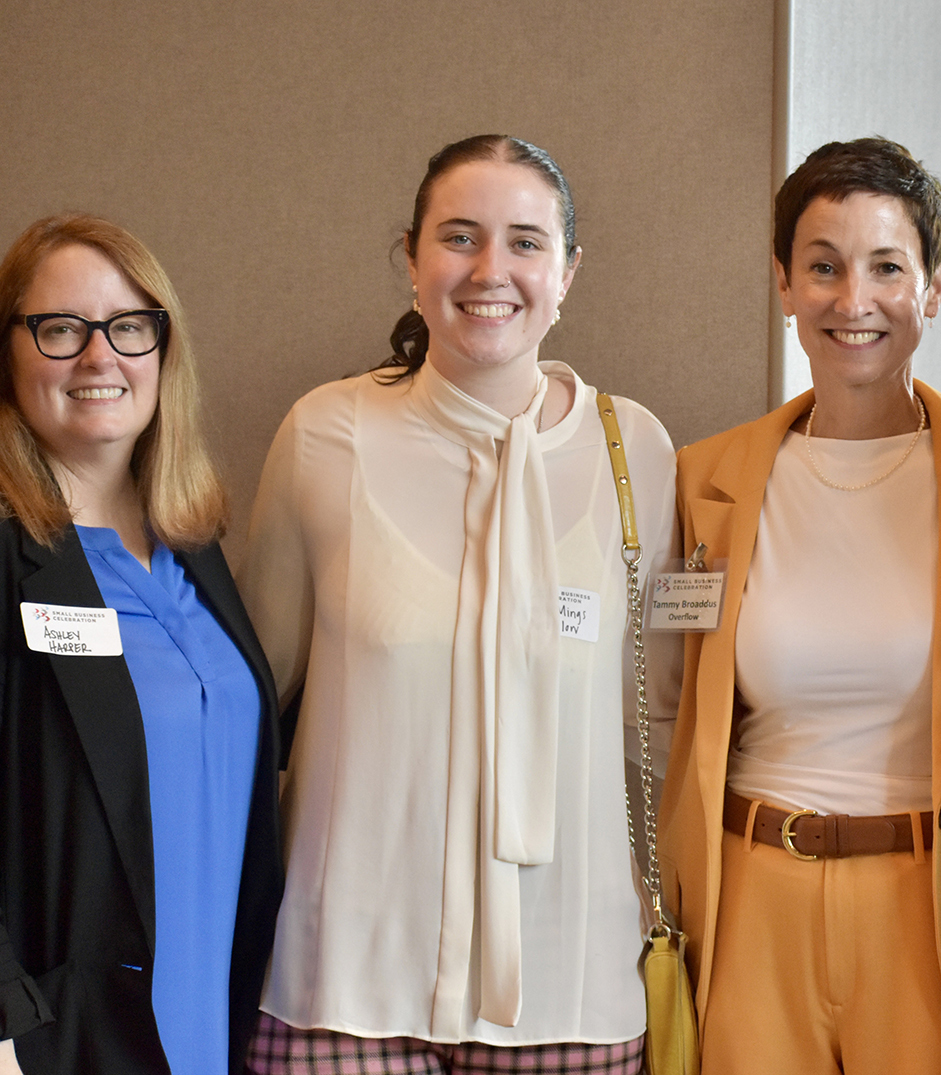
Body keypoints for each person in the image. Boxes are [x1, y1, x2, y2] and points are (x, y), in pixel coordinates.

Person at [237, 135, 676, 1075]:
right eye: (460, 237)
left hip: (574, 981)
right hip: (343, 982)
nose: (491, 270)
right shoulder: (326, 434)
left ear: (568, 273)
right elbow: (248, 700)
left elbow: (658, 720)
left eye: (526, 242)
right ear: (411, 258)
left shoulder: (635, 450)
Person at [656, 137, 941, 1075]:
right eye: (823, 267)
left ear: (935, 286)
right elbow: (671, 700)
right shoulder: (708, 478)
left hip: (935, 898)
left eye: (887, 267)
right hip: (752, 895)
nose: (852, 299)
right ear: (784, 283)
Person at [0, 214, 282, 1074]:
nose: (100, 358)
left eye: (129, 327)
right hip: (62, 1038)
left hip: (202, 1030)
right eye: (60, 329)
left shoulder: (193, 550)